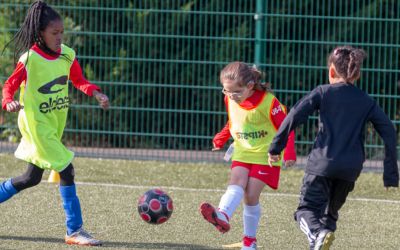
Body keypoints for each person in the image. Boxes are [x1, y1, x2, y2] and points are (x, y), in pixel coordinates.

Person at [268, 46, 399, 250]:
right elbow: (389, 131)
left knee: (306, 211)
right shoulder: (366, 101)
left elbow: (294, 115)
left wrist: (276, 147)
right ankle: (319, 239)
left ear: (331, 71)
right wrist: (391, 174)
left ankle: (316, 234)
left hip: (322, 164)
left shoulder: (322, 92)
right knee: (329, 216)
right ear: (357, 74)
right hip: (350, 170)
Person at [1, 1, 109, 246]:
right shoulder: (30, 59)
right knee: (66, 169)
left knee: (31, 178)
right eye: (54, 33)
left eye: (62, 33)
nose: (60, 38)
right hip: (37, 125)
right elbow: (10, 84)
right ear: (41, 34)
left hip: (52, 124)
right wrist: (8, 101)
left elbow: (79, 79)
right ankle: (74, 230)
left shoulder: (67, 55)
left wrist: (95, 92)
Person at [199, 61, 297, 250]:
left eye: (236, 92)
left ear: (250, 86)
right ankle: (222, 215)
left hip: (267, 154)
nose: (231, 96)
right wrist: (221, 137)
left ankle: (249, 241)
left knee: (250, 196)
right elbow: (234, 121)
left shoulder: (268, 102)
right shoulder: (230, 98)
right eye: (226, 91)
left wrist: (288, 152)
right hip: (242, 150)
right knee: (236, 182)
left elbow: (287, 128)